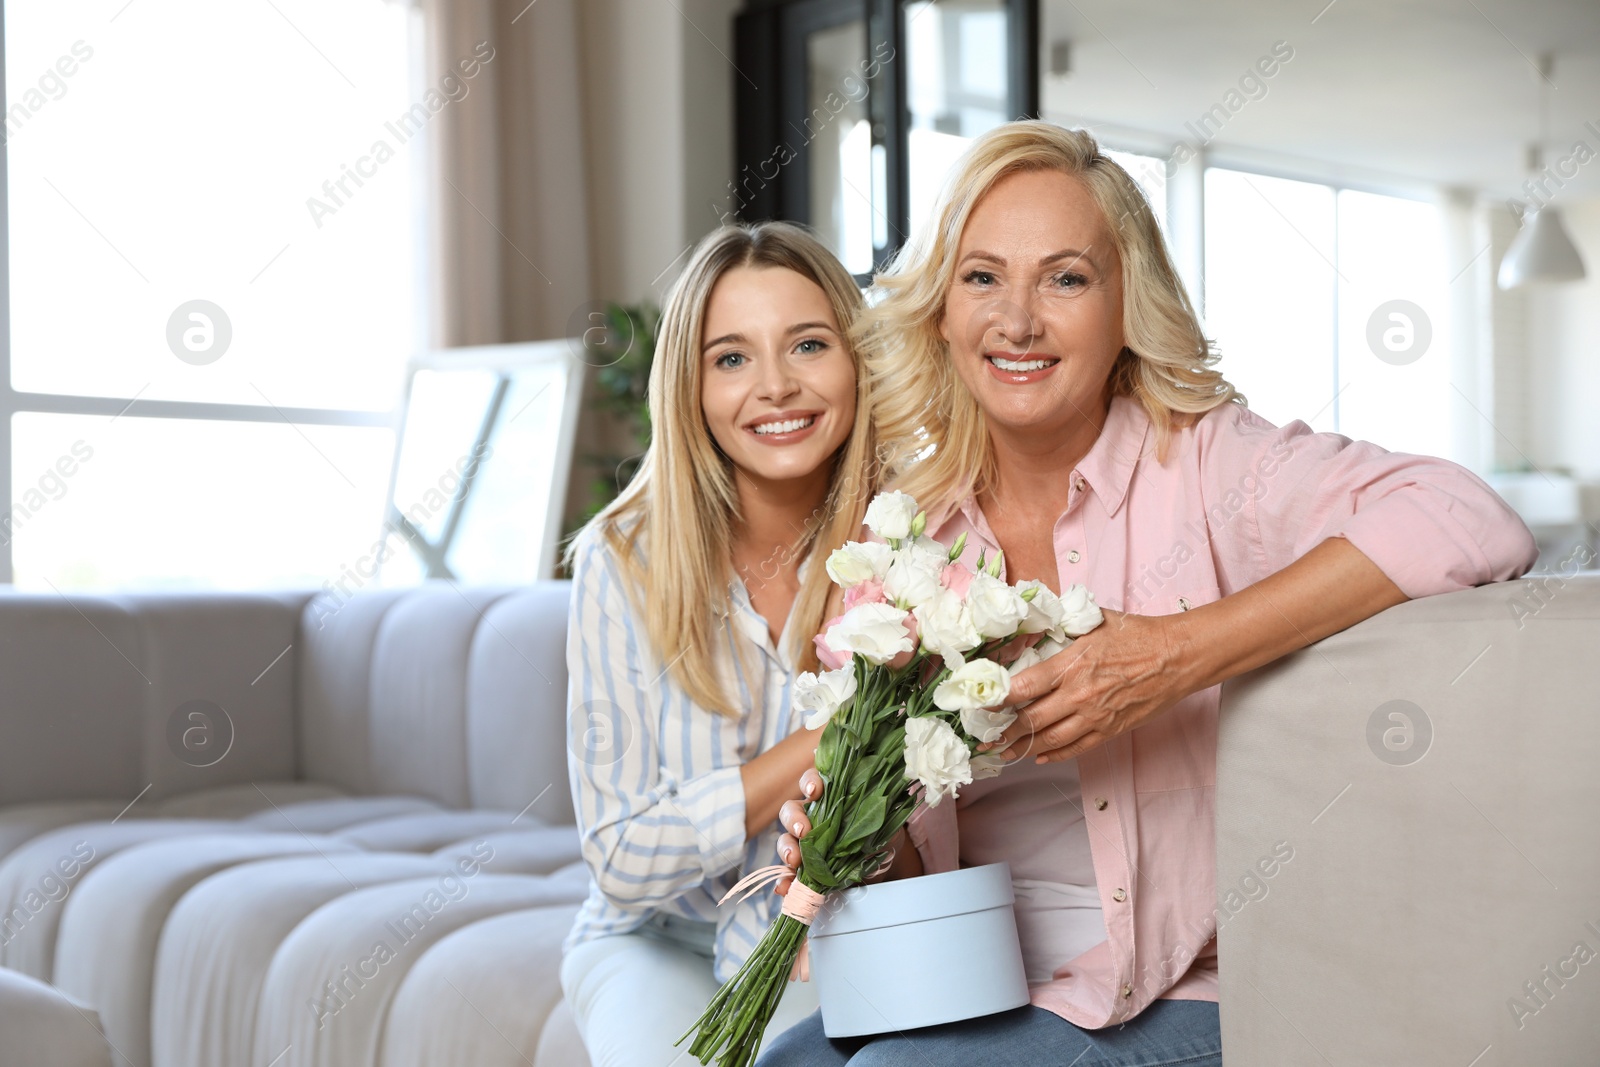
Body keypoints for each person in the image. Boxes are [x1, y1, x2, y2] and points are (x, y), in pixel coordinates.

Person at [758, 121, 1537, 1066]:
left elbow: (1465, 516)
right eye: (983, 276)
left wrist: (1173, 655)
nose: (1018, 321)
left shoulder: (1209, 463)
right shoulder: (906, 539)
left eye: (1066, 278)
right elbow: (924, 871)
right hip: (975, 977)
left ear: (1127, 300)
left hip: (1177, 992)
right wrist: (870, 839)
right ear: (941, 307)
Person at [559, 221, 880, 1067]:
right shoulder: (621, 558)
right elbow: (622, 857)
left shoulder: (911, 543)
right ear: (690, 387)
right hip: (648, 935)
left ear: (857, 358)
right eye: (731, 358)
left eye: (808, 344)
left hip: (820, 930)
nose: (775, 386)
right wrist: (815, 747)